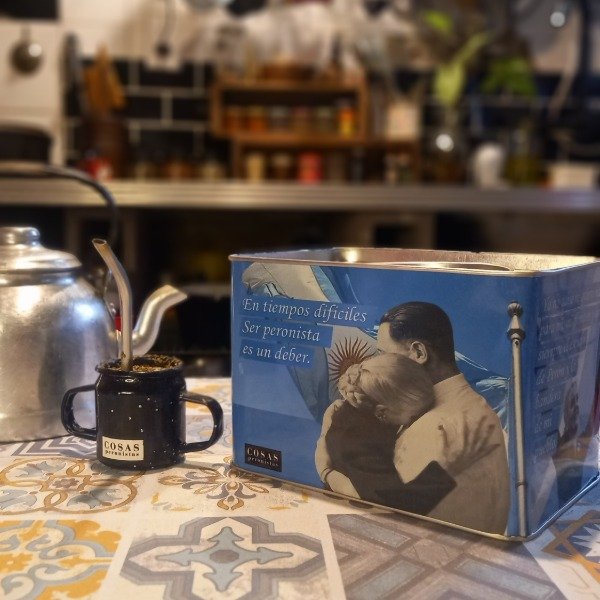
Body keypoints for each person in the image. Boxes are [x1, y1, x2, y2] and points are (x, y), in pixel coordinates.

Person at [376, 301, 510, 534]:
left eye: (385, 356)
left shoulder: (434, 426)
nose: (379, 367)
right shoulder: (476, 407)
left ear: (419, 353)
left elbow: (394, 517)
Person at [315, 353, 461, 514]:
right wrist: (446, 469)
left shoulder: (364, 407)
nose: (415, 421)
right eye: (413, 416)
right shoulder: (358, 442)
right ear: (382, 412)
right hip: (345, 511)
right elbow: (395, 501)